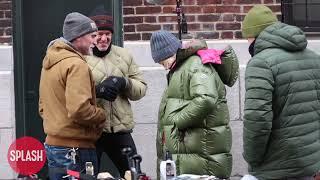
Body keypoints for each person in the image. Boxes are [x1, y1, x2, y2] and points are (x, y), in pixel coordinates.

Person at [242, 5, 320, 180]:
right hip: (310, 163)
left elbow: (257, 119)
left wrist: (253, 159)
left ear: (253, 36)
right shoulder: (314, 58)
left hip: (276, 166)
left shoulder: (260, 63)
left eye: (247, 38)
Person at [150, 30, 238, 179]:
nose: (162, 65)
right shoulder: (183, 67)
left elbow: (206, 98)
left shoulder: (195, 65)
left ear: (170, 53)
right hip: (195, 149)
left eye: (162, 60)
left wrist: (176, 122)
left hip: (201, 152)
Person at [39, 12, 106, 179]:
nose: (95, 41)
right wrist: (101, 115)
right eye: (92, 36)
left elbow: (42, 107)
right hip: (75, 151)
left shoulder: (51, 61)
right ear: (78, 37)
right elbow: (79, 110)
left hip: (53, 147)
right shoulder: (77, 65)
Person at [85, 6, 147, 177]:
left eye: (108, 34)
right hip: (92, 131)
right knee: (88, 176)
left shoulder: (124, 55)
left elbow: (141, 89)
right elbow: (73, 93)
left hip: (120, 130)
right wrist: (98, 91)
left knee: (134, 175)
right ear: (91, 35)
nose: (103, 39)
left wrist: (124, 83)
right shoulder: (81, 57)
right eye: (98, 34)